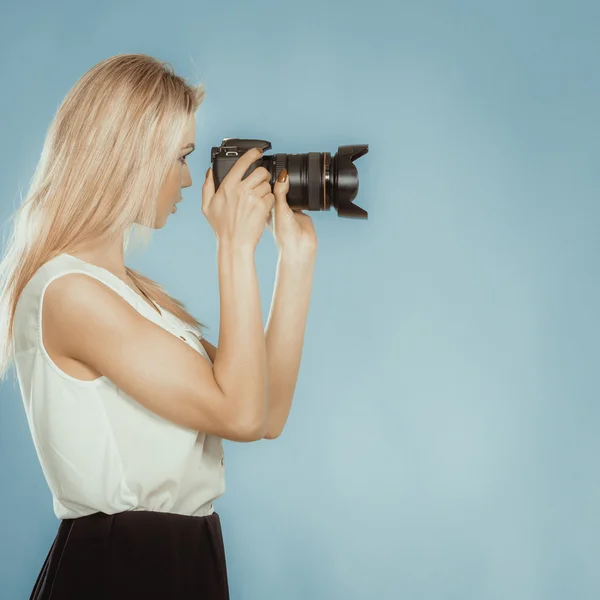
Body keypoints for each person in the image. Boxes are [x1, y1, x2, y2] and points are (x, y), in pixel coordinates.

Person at [0, 53, 317, 599]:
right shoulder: (69, 293)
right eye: (180, 157)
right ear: (128, 159)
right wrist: (234, 247)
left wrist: (296, 258)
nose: (189, 179)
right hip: (123, 568)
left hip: (184, 559)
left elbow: (265, 413)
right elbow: (239, 416)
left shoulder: (134, 297)